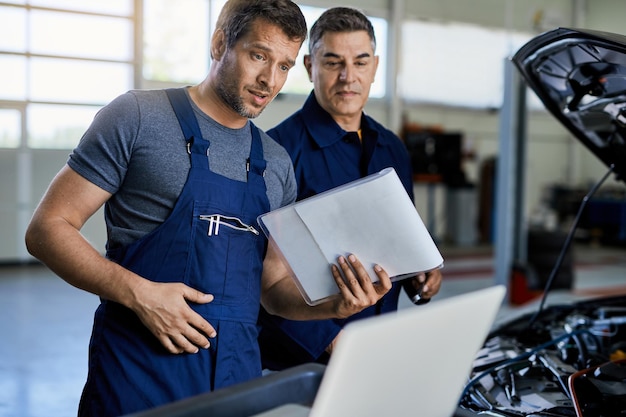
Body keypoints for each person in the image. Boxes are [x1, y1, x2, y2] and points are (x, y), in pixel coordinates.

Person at [24, 1, 393, 416]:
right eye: (259, 56)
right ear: (220, 43)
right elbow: (47, 228)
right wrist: (140, 294)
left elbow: (271, 290)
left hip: (236, 385)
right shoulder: (138, 117)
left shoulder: (275, 162)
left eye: (285, 66)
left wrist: (333, 307)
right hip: (137, 380)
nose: (269, 80)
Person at [258, 6, 443, 370]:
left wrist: (421, 275)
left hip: (380, 342)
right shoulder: (276, 154)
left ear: (375, 66)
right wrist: (329, 341)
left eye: (360, 62)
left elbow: (400, 238)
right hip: (303, 357)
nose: (348, 77)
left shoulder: (392, 148)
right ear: (310, 66)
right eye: (332, 63)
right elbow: (253, 276)